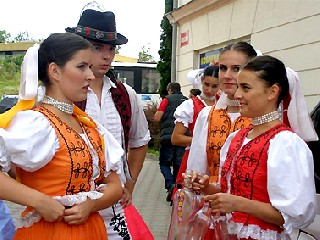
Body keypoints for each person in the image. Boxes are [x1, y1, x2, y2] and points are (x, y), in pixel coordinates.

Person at [0, 32, 123, 240]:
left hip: (92, 230)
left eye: (90, 68)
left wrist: (92, 204)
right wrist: (39, 201)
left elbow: (115, 184)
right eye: (81, 66)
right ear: (55, 71)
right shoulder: (34, 124)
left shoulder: (88, 125)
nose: (90, 76)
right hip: (49, 232)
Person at [198, 55, 317, 239]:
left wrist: (238, 204)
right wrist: (207, 187)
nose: (237, 95)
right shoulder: (236, 138)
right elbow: (231, 192)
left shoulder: (286, 144)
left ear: (272, 92)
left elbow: (294, 215)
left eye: (245, 88)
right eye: (238, 87)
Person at [67, 5, 153, 239]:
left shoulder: (125, 94)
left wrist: (130, 184)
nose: (106, 56)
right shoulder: (61, 94)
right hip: (72, 205)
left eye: (111, 49)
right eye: (97, 48)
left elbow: (139, 141)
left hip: (115, 203)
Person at [187, 42, 256, 183]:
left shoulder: (261, 119)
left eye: (236, 69)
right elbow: (197, 167)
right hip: (212, 200)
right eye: (223, 68)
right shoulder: (208, 115)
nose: (227, 76)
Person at [171, 65, 220, 199]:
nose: (210, 90)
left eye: (215, 86)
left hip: (219, 160)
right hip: (195, 158)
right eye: (206, 84)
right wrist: (202, 140)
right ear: (201, 81)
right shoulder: (190, 105)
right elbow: (176, 138)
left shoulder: (225, 104)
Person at [154, 82, 188, 201]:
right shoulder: (187, 101)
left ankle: (170, 184)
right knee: (178, 163)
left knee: (164, 163)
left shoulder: (167, 99)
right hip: (183, 137)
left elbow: (157, 117)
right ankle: (176, 188)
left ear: (170, 90)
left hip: (168, 137)